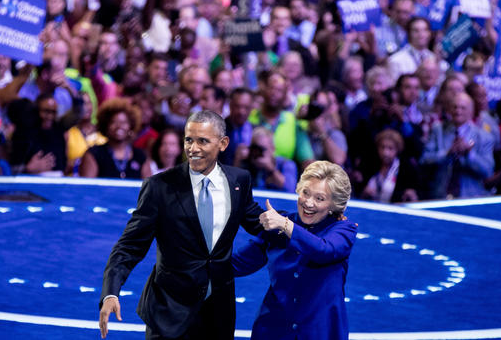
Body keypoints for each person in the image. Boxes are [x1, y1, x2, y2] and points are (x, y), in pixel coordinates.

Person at [99, 110, 265, 339]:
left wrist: (301, 225)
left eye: (203, 141)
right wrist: (110, 292)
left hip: (218, 314)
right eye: (189, 139)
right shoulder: (159, 187)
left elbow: (259, 222)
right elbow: (129, 246)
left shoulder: (239, 181)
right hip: (169, 312)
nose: (193, 149)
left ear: (223, 143)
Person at [232, 160, 357, 340]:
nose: (309, 203)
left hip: (320, 332)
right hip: (273, 329)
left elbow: (324, 250)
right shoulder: (281, 224)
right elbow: (239, 263)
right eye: (306, 193)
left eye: (319, 198)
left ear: (333, 204)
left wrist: (285, 225)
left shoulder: (344, 230)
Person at [79, 98, 151, 179]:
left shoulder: (140, 156)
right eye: (113, 122)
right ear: (106, 125)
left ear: (131, 126)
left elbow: (149, 189)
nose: (119, 126)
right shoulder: (94, 154)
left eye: (124, 122)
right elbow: (86, 188)